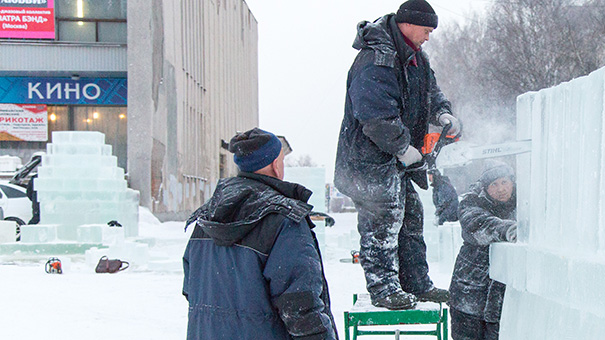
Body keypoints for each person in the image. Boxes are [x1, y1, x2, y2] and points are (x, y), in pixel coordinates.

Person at [334, 0, 460, 310]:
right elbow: (376, 118)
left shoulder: (416, 59)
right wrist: (404, 149)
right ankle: (384, 288)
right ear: (409, 23)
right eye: (427, 30)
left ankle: (416, 282)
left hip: (395, 161)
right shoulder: (377, 59)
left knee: (411, 217)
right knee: (383, 220)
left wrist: (443, 114)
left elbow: (430, 94)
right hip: (369, 160)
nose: (429, 36)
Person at [183, 128, 337, 340]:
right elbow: (301, 308)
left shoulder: (206, 218)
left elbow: (193, 290)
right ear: (276, 164)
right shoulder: (283, 220)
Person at [448, 161, 518, 340]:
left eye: (504, 182)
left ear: (512, 182)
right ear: (485, 188)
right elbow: (478, 225)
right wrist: (506, 230)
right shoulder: (471, 203)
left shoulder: (524, 204)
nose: (501, 189)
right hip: (469, 297)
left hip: (502, 302)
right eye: (494, 184)